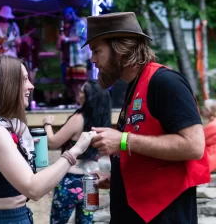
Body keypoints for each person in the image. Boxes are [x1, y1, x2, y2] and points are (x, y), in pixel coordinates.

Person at [83, 12, 210, 224]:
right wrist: (118, 180)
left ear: (120, 49)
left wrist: (123, 140)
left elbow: (194, 146)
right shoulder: (134, 85)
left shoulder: (165, 82)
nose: (92, 59)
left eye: (97, 51)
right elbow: (150, 151)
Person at [0, 55, 97, 224]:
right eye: (25, 80)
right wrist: (76, 150)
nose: (31, 86)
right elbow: (33, 189)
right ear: (6, 86)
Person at [43, 80, 111, 224]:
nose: (78, 94)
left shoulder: (78, 118)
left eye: (82, 91)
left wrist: (47, 124)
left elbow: (53, 142)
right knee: (86, 222)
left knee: (58, 222)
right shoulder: (103, 120)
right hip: (92, 181)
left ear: (89, 97)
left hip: (70, 180)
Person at [56, 7, 89, 103]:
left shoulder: (81, 24)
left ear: (72, 14)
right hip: (71, 59)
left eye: (67, 16)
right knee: (73, 82)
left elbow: (80, 37)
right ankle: (77, 100)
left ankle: (84, 100)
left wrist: (66, 39)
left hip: (79, 58)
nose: (67, 19)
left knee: (81, 81)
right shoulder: (70, 26)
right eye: (65, 17)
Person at [202, 99, 216, 172]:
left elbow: (199, 139)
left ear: (209, 111)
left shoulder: (212, 126)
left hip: (210, 160)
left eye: (205, 108)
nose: (203, 109)